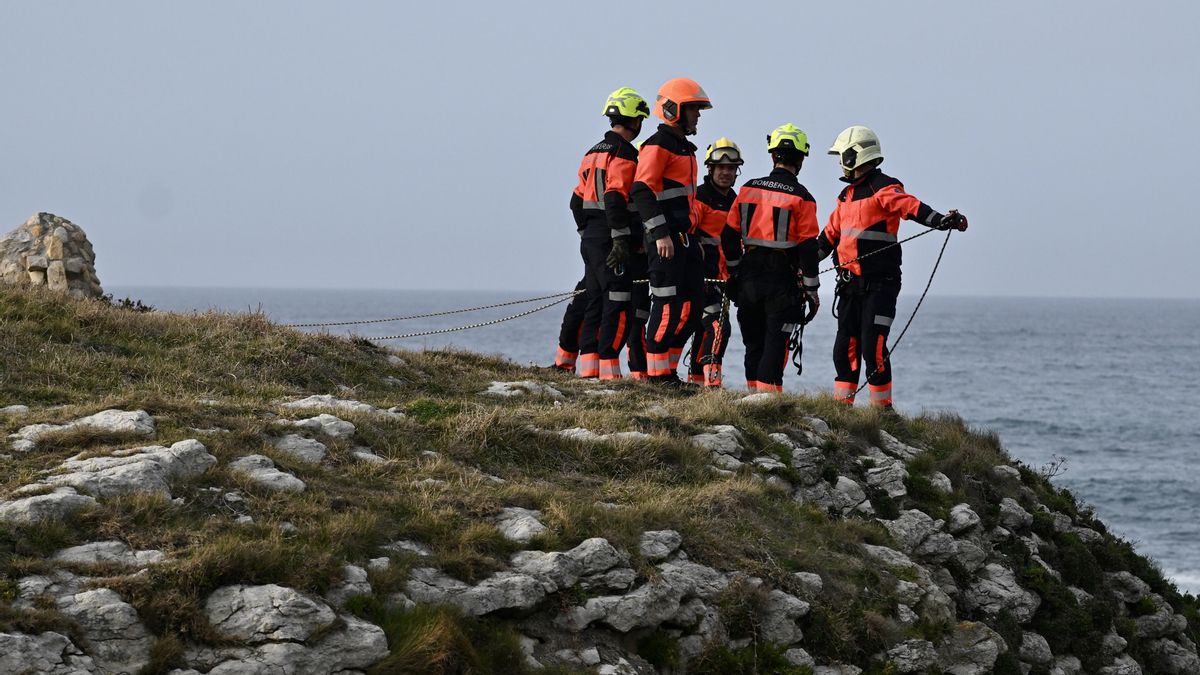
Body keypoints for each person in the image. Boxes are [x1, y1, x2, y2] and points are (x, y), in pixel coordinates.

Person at [817, 125, 968, 407]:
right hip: (850, 287)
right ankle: (841, 412)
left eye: (841, 155)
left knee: (871, 348)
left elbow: (911, 207)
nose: (840, 162)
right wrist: (803, 263)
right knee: (844, 350)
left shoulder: (884, 187)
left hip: (880, 286)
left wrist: (940, 221)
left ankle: (882, 414)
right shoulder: (845, 197)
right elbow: (827, 238)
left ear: (854, 156)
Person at [722, 124, 821, 393]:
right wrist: (812, 290)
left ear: (772, 155)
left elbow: (728, 237)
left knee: (753, 344)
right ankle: (766, 406)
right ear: (800, 159)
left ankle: (753, 400)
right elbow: (808, 248)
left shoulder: (748, 189)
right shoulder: (803, 198)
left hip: (748, 276)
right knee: (775, 345)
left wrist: (734, 272)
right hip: (782, 280)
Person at [631, 77, 711, 386]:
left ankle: (669, 373)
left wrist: (694, 238)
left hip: (685, 240)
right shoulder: (657, 145)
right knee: (666, 308)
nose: (698, 116)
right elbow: (641, 190)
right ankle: (656, 377)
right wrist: (660, 233)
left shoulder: (684, 147)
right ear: (674, 110)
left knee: (690, 312)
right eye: (694, 110)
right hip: (665, 240)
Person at [569, 87, 650, 379]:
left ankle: (589, 370)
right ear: (634, 121)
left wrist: (585, 231)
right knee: (617, 303)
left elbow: (576, 201)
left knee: (594, 300)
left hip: (591, 236)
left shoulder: (592, 153)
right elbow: (616, 196)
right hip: (611, 236)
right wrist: (619, 237)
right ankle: (609, 372)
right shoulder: (625, 154)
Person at [686, 138, 742, 387]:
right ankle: (713, 384)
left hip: (724, 280)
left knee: (705, 330)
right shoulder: (698, 198)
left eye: (731, 168)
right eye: (721, 168)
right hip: (701, 277)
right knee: (718, 328)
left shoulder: (737, 202)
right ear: (710, 168)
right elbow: (688, 234)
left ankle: (697, 383)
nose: (726, 173)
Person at [551, 277, 587, 372]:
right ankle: (563, 367)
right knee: (571, 321)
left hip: (611, 277)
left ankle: (596, 374)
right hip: (592, 273)